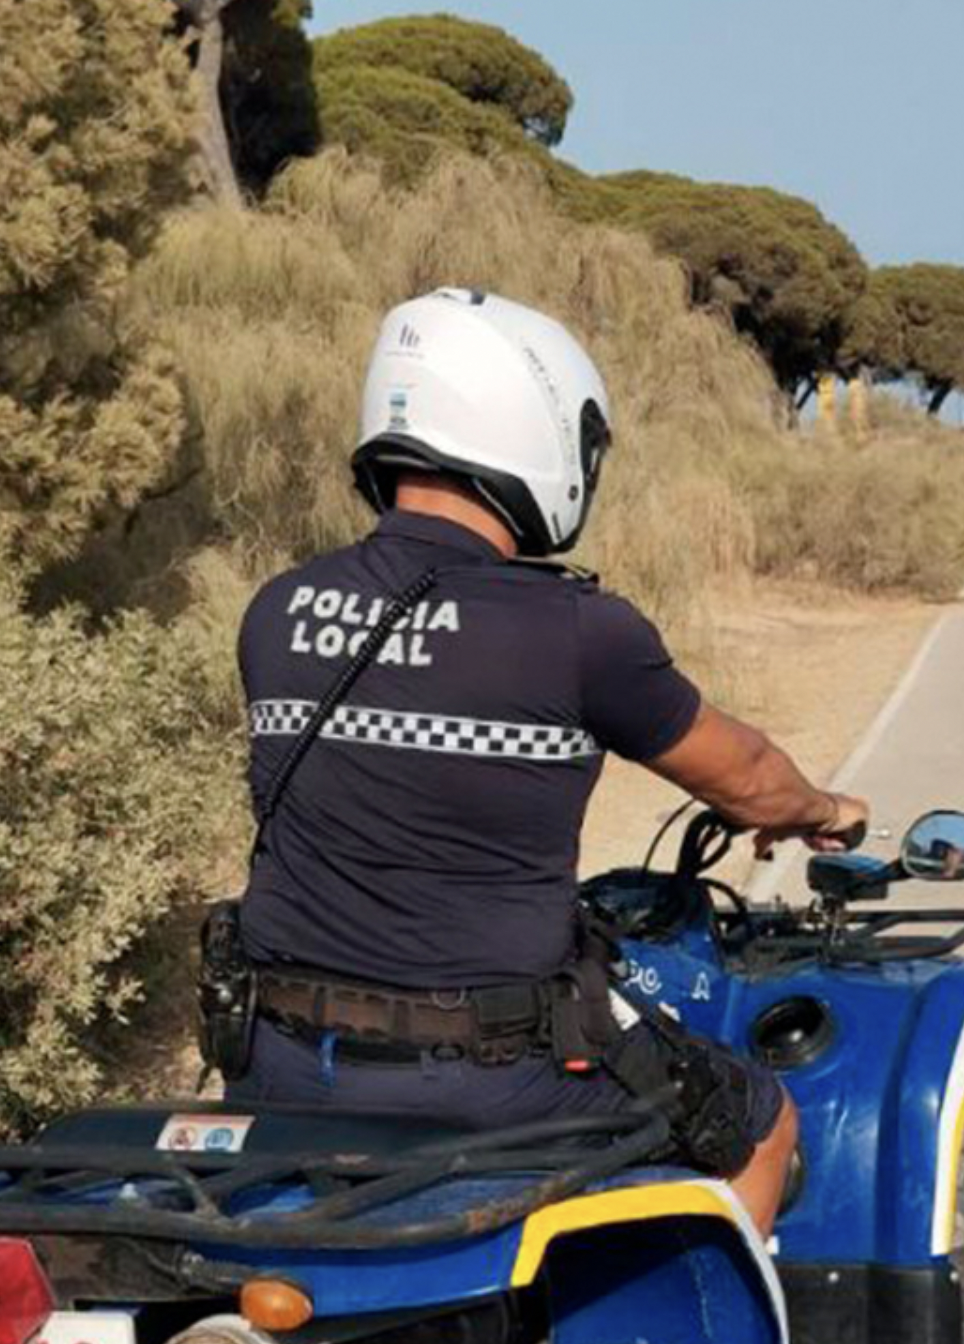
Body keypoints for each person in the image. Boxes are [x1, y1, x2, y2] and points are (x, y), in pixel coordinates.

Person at [224, 289, 866, 1234]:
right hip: (490, 1081)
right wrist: (819, 810)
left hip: (276, 1058)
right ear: (534, 433)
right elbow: (748, 778)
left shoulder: (276, 609)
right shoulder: (576, 632)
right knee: (762, 1122)